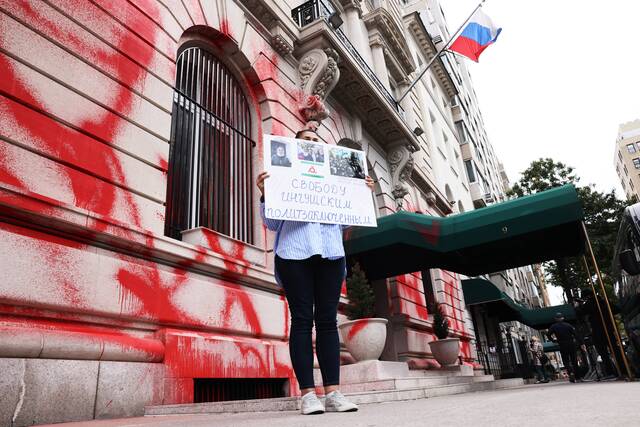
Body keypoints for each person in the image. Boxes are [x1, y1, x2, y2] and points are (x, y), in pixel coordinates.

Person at [257, 128, 375, 415]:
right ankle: (308, 395)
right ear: (296, 146)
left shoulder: (334, 174)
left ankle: (333, 393)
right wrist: (266, 194)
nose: (311, 143)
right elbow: (272, 224)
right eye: (305, 140)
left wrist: (362, 194)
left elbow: (347, 221)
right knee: (301, 320)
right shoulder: (280, 173)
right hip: (294, 252)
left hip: (331, 253)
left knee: (327, 322)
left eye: (315, 140)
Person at [548, 313, 581, 382]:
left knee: (566, 361)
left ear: (556, 319)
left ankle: (570, 372)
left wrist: (553, 340)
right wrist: (580, 343)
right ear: (563, 318)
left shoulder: (553, 326)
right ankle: (578, 377)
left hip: (562, 345)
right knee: (574, 360)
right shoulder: (568, 325)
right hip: (571, 344)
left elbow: (548, 335)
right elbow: (575, 334)